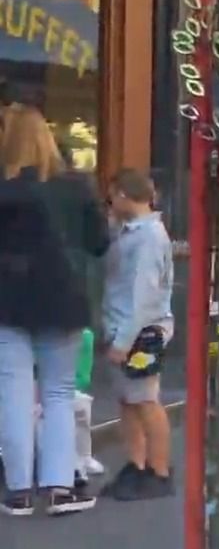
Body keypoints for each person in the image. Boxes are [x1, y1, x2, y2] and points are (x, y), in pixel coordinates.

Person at [0, 106, 109, 516]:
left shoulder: (4, 189)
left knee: (12, 394)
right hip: (63, 298)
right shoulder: (75, 187)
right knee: (59, 394)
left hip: (8, 301)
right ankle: (59, 487)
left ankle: (18, 491)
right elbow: (99, 242)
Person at [99, 169, 175, 501]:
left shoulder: (148, 238)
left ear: (125, 196)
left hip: (140, 332)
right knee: (129, 400)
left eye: (113, 196)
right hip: (122, 325)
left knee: (145, 400)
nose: (110, 203)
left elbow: (142, 297)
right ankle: (137, 462)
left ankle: (158, 471)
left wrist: (123, 342)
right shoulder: (130, 233)